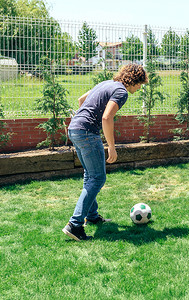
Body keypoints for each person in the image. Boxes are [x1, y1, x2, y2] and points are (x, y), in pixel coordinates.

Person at [63, 64, 148, 241]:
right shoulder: (121, 92)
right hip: (86, 132)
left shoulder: (106, 83)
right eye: (140, 84)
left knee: (90, 175)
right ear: (133, 80)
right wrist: (111, 146)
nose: (140, 88)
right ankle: (74, 224)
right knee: (98, 178)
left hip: (74, 129)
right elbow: (106, 117)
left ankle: (92, 215)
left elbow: (81, 100)